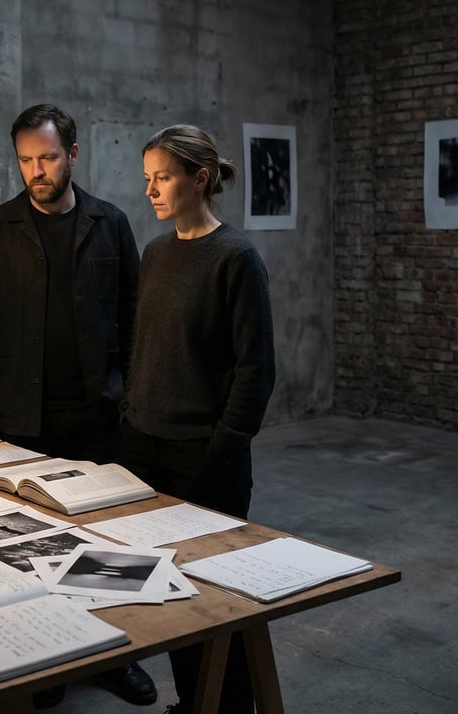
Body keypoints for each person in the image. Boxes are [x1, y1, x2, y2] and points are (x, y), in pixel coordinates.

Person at [0, 103, 157, 709]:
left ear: (72, 153)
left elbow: (134, 319)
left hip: (100, 416)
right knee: (32, 544)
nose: (36, 171)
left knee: (110, 547)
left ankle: (117, 655)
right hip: (21, 420)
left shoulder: (111, 223)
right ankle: (48, 660)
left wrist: (129, 396)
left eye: (46, 157)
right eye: (25, 160)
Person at [120, 124, 276, 714]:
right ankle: (194, 703)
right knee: (166, 597)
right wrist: (130, 418)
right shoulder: (157, 252)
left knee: (216, 598)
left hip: (205, 458)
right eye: (147, 180)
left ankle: (228, 707)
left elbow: (255, 371)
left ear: (199, 178)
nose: (151, 191)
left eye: (162, 178)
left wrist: (221, 450)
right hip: (144, 450)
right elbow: (145, 345)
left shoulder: (236, 258)